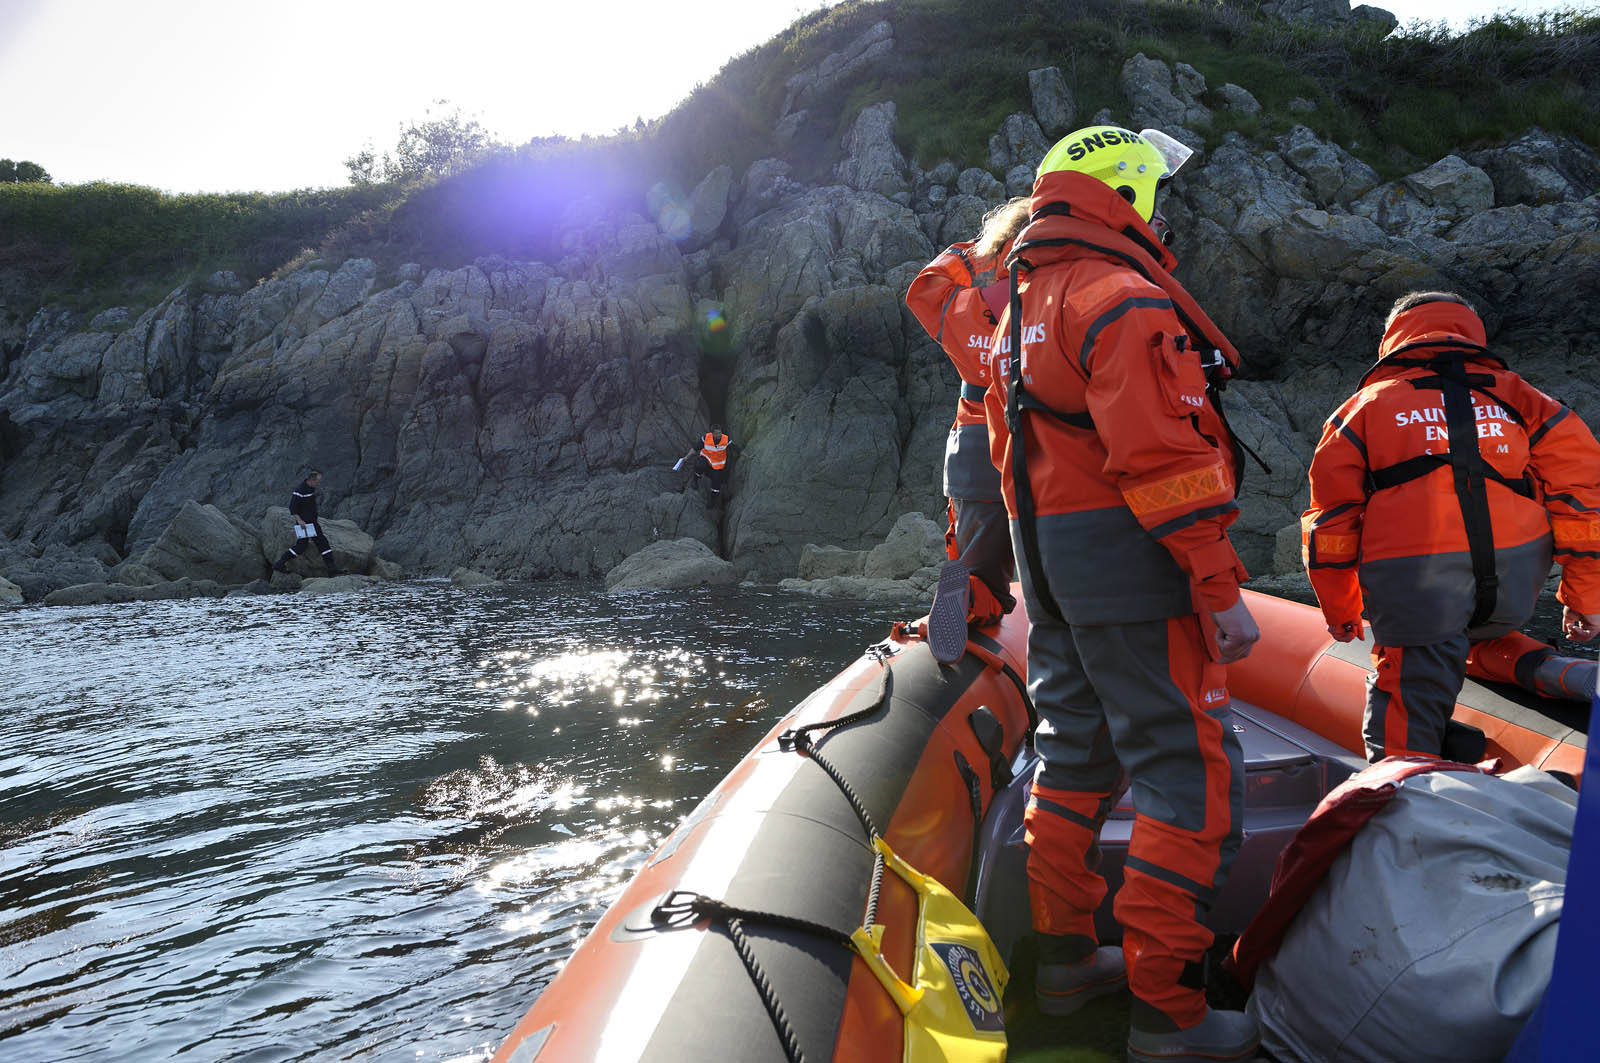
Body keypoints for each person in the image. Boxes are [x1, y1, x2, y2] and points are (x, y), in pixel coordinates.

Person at [982, 125, 1260, 1062]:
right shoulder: (1122, 298)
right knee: (1190, 777)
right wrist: (1219, 588)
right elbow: (1164, 459)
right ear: (1128, 195)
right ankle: (1170, 1012)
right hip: (1134, 577)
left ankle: (1064, 961)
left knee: (1072, 761)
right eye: (1152, 193)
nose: (1161, 211)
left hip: (1052, 578)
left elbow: (1006, 457)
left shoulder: (1020, 306)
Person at [1302, 291, 1600, 762]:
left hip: (1420, 588)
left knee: (1406, 688)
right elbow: (1583, 503)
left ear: (1393, 339)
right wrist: (1586, 599)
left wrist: (1340, 608)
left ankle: (1406, 797)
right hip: (1515, 591)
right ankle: (1557, 673)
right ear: (1472, 334)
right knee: (1477, 634)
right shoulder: (1529, 401)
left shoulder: (1363, 409)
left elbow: (1331, 526)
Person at [905, 199, 1031, 662]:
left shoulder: (963, 308)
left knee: (978, 568)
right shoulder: (1045, 304)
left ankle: (964, 592)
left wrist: (975, 252)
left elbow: (923, 290)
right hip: (1033, 448)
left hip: (972, 451)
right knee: (1047, 567)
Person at [269, 470, 344, 577]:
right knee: (307, 545)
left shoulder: (311, 489)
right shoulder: (300, 490)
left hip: (312, 523)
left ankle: (332, 569)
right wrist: (299, 521)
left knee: (318, 543)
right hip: (305, 524)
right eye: (318, 481)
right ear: (311, 480)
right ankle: (279, 563)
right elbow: (292, 507)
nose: (319, 483)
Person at [677, 424, 733, 498]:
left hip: (718, 465)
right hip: (706, 460)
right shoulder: (706, 438)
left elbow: (735, 448)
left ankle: (713, 500)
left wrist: (745, 455)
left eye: (720, 432)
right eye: (717, 433)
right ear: (712, 433)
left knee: (716, 482)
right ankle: (695, 480)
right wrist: (686, 458)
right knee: (699, 465)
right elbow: (695, 448)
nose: (719, 435)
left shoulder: (725, 439)